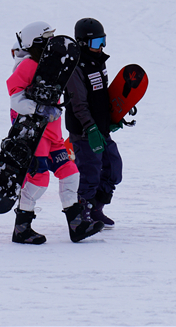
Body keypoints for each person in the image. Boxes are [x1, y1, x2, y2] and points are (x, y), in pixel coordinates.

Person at [8, 21, 104, 244]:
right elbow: (15, 99)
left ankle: (76, 224)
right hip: (34, 134)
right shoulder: (28, 65)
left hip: (52, 134)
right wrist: (39, 109)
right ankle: (21, 228)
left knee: (70, 173)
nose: (54, 42)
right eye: (49, 38)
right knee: (38, 178)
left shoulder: (52, 65)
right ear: (37, 42)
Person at [63, 18, 126, 229]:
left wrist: (115, 116)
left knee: (113, 168)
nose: (101, 47)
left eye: (103, 41)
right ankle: (82, 215)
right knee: (90, 173)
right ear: (82, 43)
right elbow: (79, 103)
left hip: (100, 128)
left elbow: (102, 96)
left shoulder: (99, 62)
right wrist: (90, 127)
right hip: (84, 131)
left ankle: (97, 209)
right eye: (96, 42)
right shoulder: (75, 67)